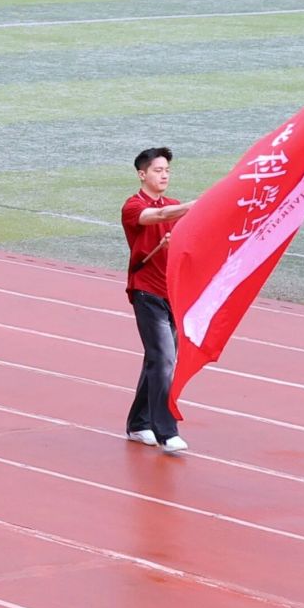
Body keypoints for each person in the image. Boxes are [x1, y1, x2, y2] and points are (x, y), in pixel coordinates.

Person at [122, 147, 194, 455]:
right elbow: (158, 216)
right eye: (157, 170)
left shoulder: (174, 205)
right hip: (146, 292)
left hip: (172, 293)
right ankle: (166, 432)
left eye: (167, 171)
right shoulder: (133, 206)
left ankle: (139, 424)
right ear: (142, 174)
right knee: (164, 359)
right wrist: (195, 206)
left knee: (157, 360)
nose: (164, 175)